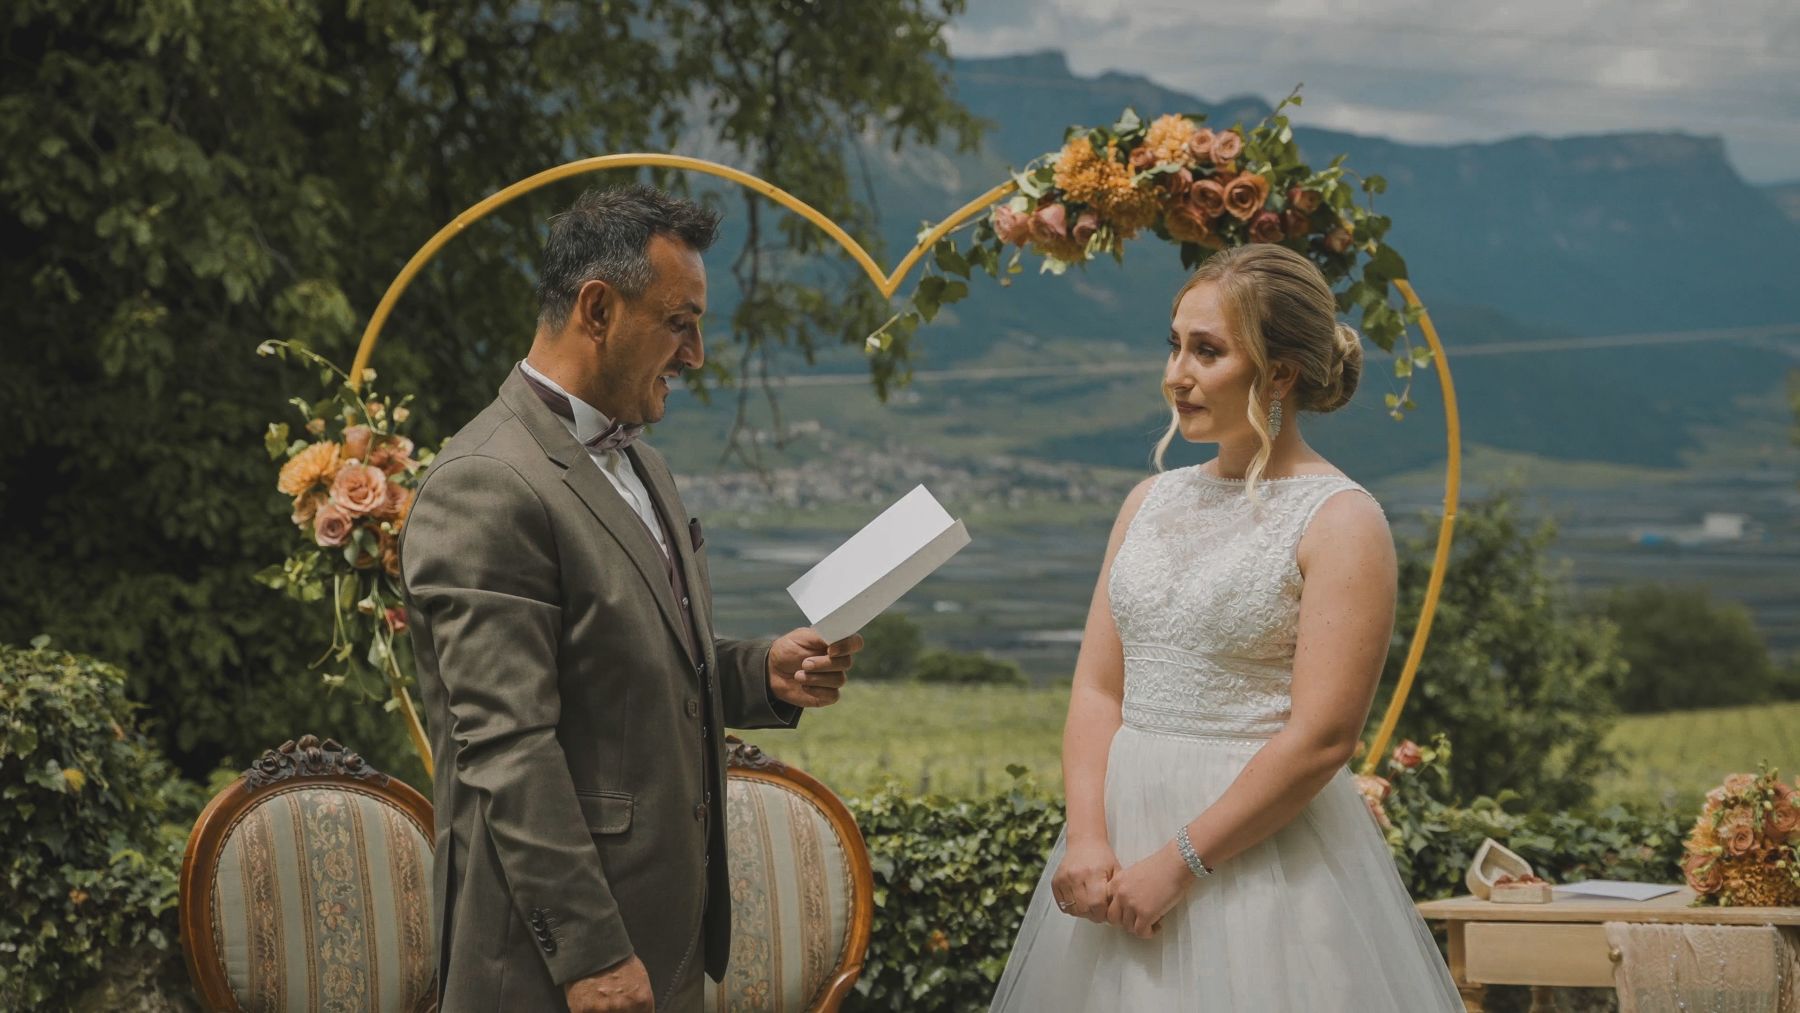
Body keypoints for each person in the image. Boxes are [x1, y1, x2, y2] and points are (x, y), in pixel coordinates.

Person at [401, 184, 863, 1013]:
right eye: (680, 322)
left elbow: (628, 666)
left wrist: (761, 670)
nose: (696, 355)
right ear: (598, 308)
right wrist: (593, 956)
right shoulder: (485, 483)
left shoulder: (645, 462)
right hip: (550, 969)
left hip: (666, 941)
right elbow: (507, 748)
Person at [988, 244, 1462, 1010]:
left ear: (1280, 373)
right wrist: (1088, 837)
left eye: (1207, 351)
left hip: (1256, 860)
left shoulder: (1342, 519)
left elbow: (1322, 738)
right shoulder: (1147, 502)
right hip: (1119, 840)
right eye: (1174, 345)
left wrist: (1179, 862)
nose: (1177, 374)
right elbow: (1099, 689)